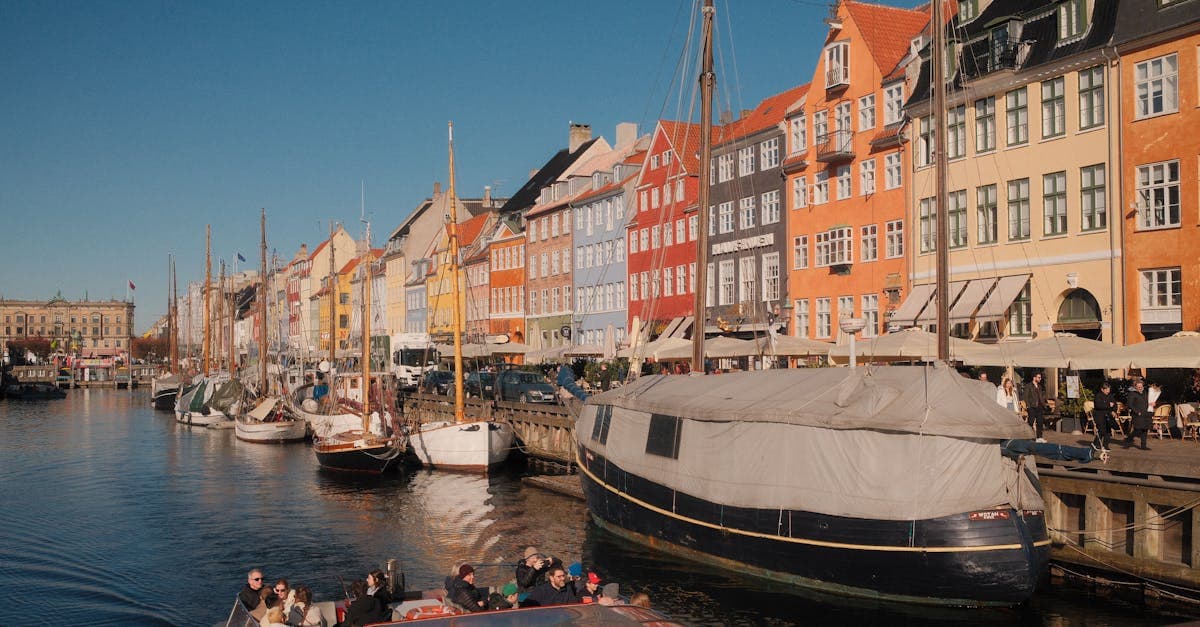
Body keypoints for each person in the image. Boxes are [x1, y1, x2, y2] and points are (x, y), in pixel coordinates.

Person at [1125, 380, 1152, 450]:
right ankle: (1129, 438)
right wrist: (1137, 412)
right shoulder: (1132, 394)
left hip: (1146, 413)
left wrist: (1152, 403)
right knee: (1138, 429)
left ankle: (1143, 446)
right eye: (1138, 386)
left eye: (1141, 386)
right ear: (1135, 387)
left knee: (1145, 430)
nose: (1140, 387)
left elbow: (1149, 402)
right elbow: (1129, 404)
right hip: (1138, 414)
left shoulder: (1145, 393)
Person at [1022, 372, 1047, 442]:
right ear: (1034, 378)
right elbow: (1025, 397)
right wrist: (1028, 406)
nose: (1040, 379)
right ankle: (1029, 437)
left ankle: (1039, 437)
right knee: (1030, 422)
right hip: (1032, 407)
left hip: (1039, 407)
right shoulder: (1028, 386)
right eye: (1039, 377)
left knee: (1040, 422)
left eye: (1040, 377)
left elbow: (1041, 396)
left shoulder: (1039, 386)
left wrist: (1044, 405)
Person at [1092, 382, 1116, 452]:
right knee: (1101, 430)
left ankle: (1106, 445)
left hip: (1108, 415)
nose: (1108, 391)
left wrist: (1114, 411)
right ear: (1102, 389)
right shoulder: (1098, 396)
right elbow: (1098, 405)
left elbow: (1114, 404)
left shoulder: (1110, 396)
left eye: (1109, 390)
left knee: (1108, 430)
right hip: (1099, 415)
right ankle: (1096, 444)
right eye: (1107, 390)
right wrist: (1108, 405)